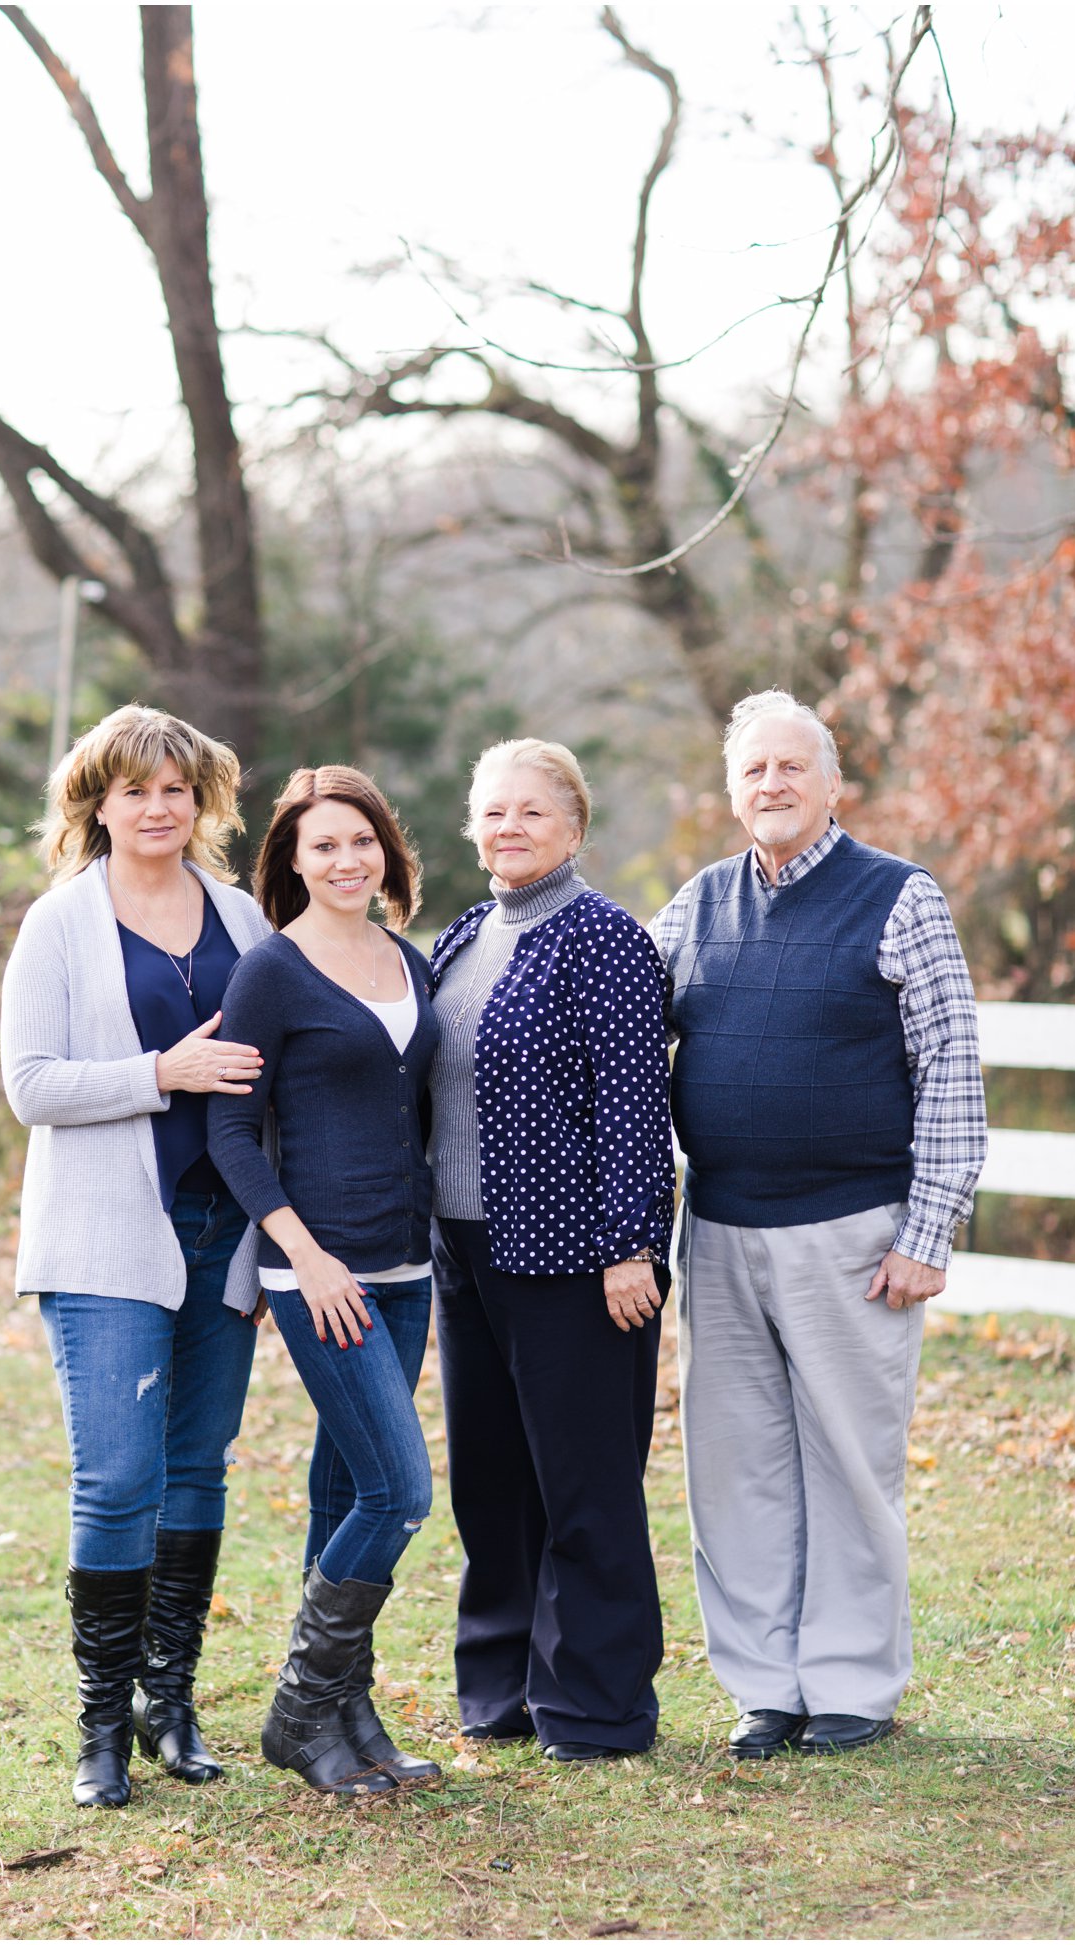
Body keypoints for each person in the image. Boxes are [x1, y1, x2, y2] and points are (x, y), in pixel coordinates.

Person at [650, 688, 988, 1759]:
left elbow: (951, 1067)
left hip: (855, 1233)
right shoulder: (696, 904)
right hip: (719, 1231)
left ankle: (849, 1682)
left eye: (793, 765)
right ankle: (765, 1686)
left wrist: (927, 1233)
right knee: (733, 1467)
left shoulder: (898, 896)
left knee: (848, 1462)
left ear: (833, 782)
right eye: (754, 769)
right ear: (731, 791)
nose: (773, 783)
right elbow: (622, 1028)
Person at [0, 704, 270, 1808]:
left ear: (201, 799)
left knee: (197, 1469)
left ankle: (172, 1703)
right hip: (105, 1238)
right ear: (97, 804)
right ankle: (102, 1726)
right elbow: (31, 1085)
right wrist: (162, 1073)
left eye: (175, 788)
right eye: (134, 790)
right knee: (118, 1480)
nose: (158, 807)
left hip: (225, 1232)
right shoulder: (59, 924)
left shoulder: (244, 917)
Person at [427, 737, 675, 1764]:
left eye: (532, 810)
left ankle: (597, 1706)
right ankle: (501, 1688)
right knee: (490, 1482)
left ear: (573, 829)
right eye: (494, 811)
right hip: (462, 1252)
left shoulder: (605, 940)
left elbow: (635, 1106)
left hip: (577, 1259)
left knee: (584, 1484)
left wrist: (633, 1245)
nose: (510, 827)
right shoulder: (462, 934)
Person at [208, 766, 441, 1796]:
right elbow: (229, 1130)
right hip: (322, 1272)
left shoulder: (408, 960)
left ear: (386, 850)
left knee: (344, 1486)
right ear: (293, 863)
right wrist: (301, 1254)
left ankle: (350, 1714)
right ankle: (300, 1711)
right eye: (324, 845)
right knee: (399, 1489)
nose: (347, 860)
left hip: (408, 1265)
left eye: (361, 841)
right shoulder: (271, 970)